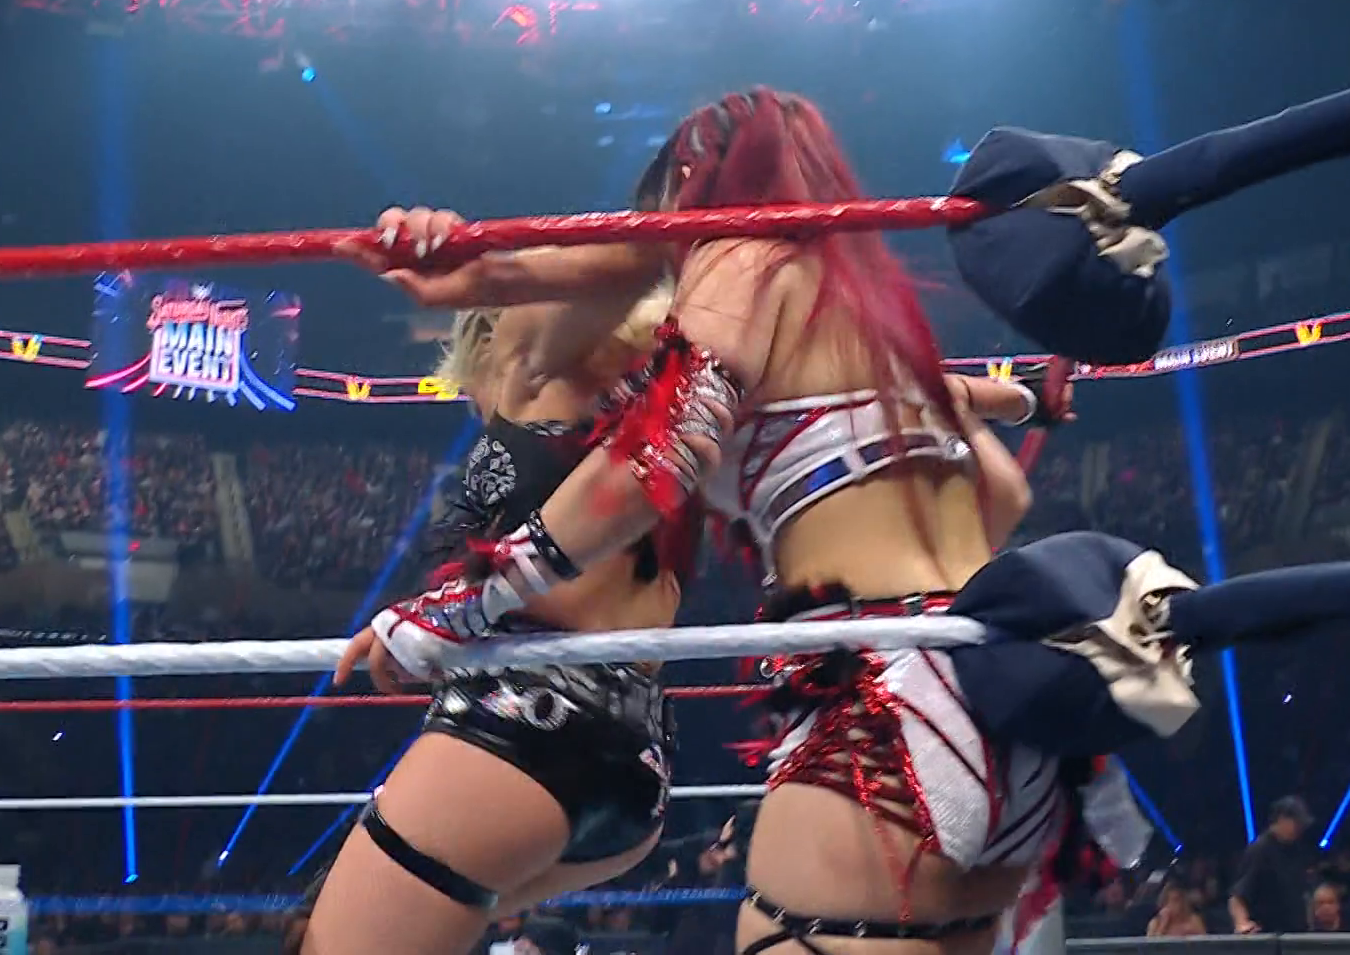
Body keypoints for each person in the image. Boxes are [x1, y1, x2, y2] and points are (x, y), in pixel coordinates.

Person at [344, 88, 1072, 955]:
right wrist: (1022, 399)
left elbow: (664, 444)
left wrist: (458, 606)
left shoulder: (732, 272)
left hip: (864, 710)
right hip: (988, 682)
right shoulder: (859, 321)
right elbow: (999, 487)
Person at [303, 219, 682, 955]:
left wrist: (476, 262)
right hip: (637, 764)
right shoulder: (658, 406)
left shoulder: (528, 360)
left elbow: (630, 260)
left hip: (523, 727)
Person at [1229, 796, 1314, 934]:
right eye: (1297, 823)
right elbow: (1238, 895)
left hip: (1295, 934)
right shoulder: (1261, 850)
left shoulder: (1296, 850)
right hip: (1269, 935)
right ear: (1282, 819)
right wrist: (1242, 923)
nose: (1300, 829)